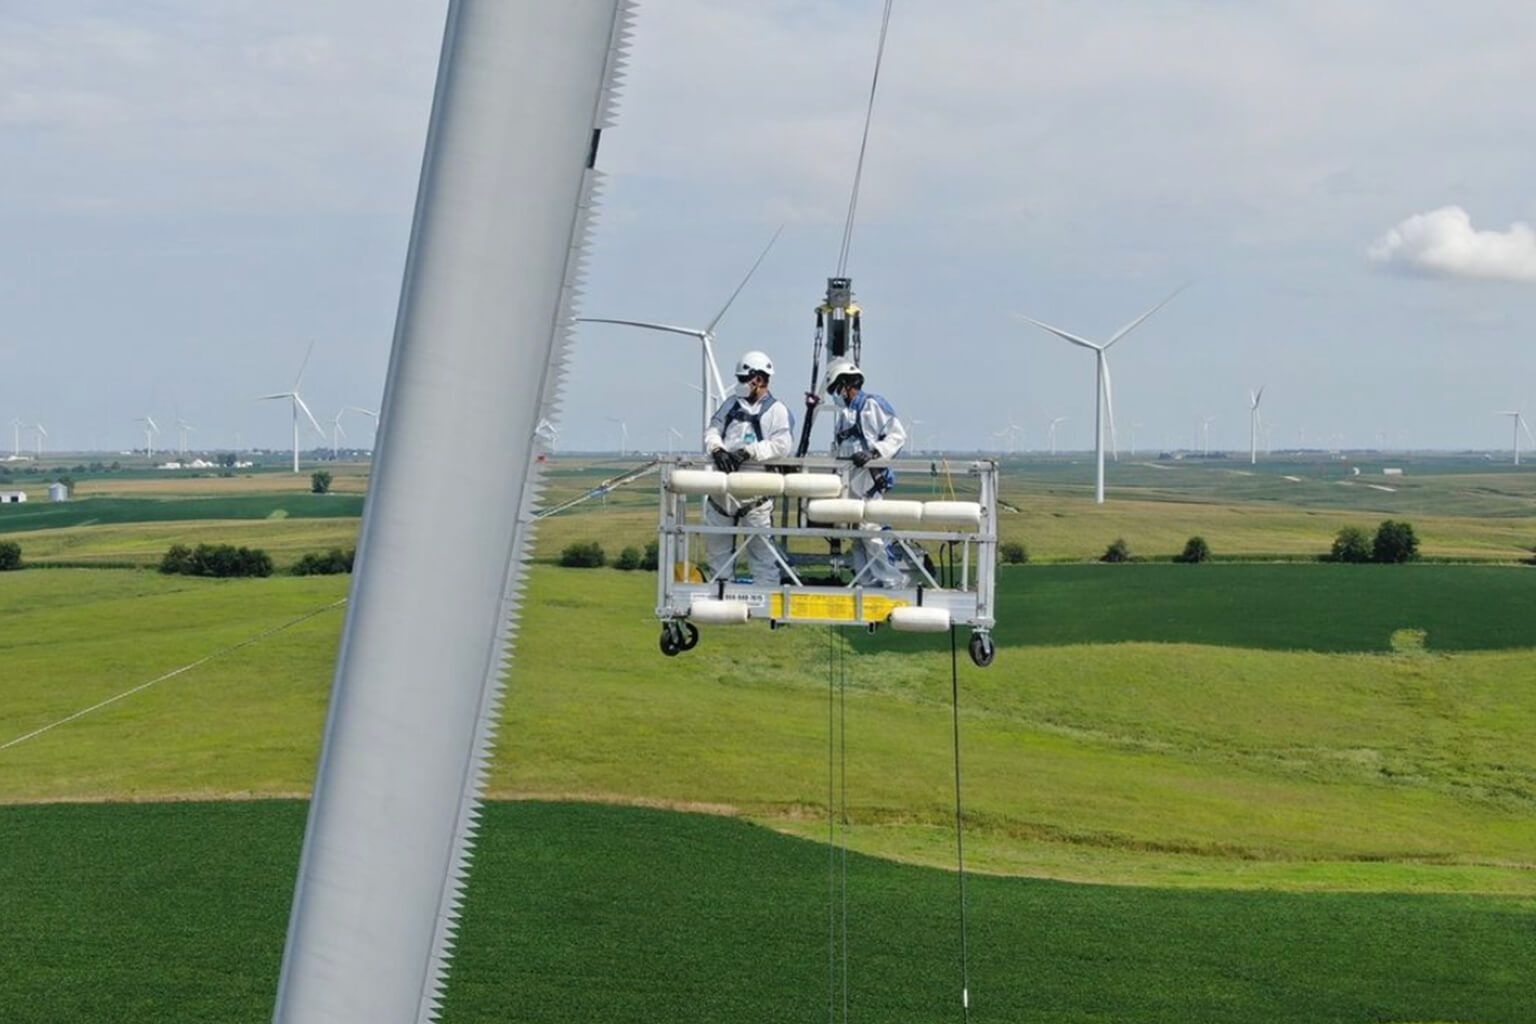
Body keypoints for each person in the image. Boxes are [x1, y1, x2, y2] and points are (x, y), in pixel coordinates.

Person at [701, 350, 794, 584]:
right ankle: (720, 603)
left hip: (755, 492)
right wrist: (717, 449)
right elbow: (713, 430)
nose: (741, 384)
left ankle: (767, 604)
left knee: (762, 556)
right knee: (717, 555)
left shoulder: (777, 411)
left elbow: (782, 445)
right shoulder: (730, 405)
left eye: (745, 379)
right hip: (722, 491)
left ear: (759, 379)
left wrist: (749, 451)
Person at [824, 358, 910, 587]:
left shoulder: (871, 405)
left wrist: (874, 453)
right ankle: (867, 581)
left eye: (836, 389)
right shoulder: (845, 415)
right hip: (850, 483)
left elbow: (897, 436)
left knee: (872, 533)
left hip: (868, 482)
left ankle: (892, 580)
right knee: (858, 536)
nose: (835, 394)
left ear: (846, 384)